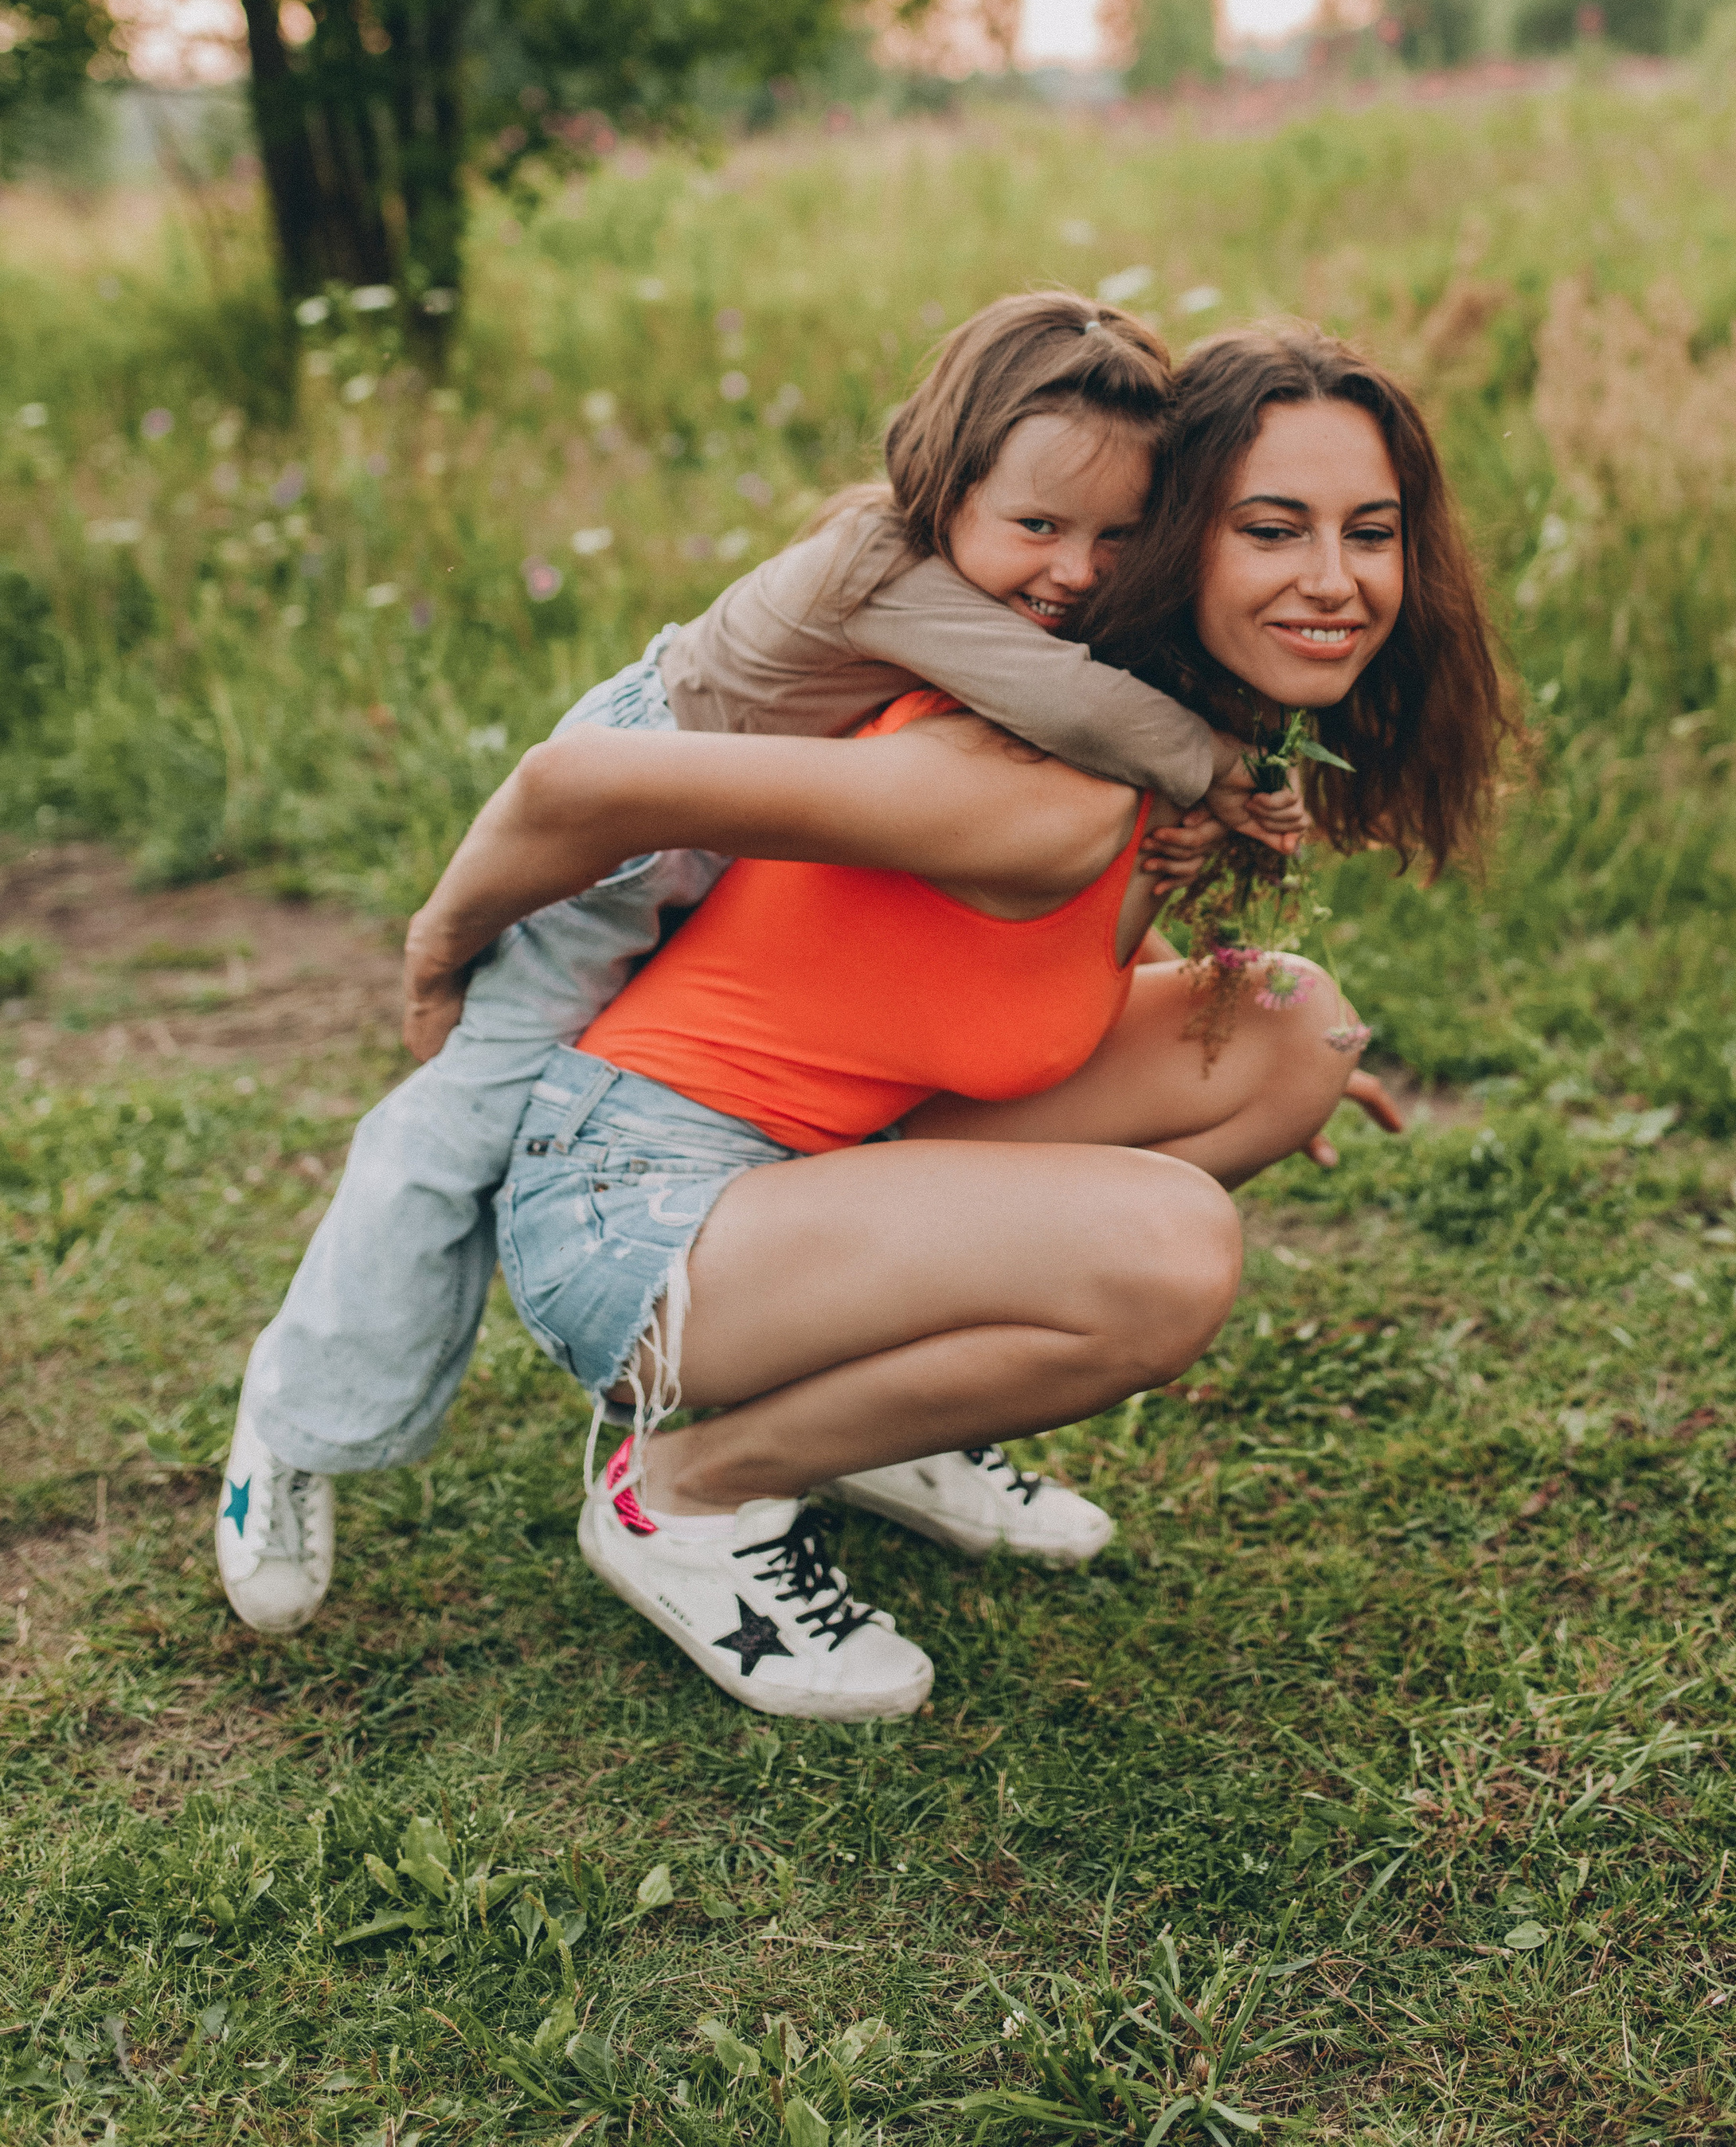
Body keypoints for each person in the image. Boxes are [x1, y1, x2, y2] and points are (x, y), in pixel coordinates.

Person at [385, 323, 1509, 1720]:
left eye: (1372, 532)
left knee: (1285, 1023)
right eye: (1273, 530)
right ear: (1171, 537)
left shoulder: (1125, 736)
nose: (1334, 581)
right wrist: (439, 952)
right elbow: (579, 787)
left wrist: (1221, 996)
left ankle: (887, 1404)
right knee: (1164, 1249)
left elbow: (997, 976)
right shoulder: (1027, 778)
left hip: (800, 1162)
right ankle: (686, 1490)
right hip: (633, 1225)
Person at [217, 294, 1305, 1633]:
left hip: (720, 832)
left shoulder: (982, 584)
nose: (1077, 571)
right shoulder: (878, 562)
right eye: (1039, 527)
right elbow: (1072, 705)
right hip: (634, 829)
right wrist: (442, 943)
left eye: (1118, 536)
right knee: (454, 1126)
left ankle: (879, 1372)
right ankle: (292, 1430)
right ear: (940, 480)